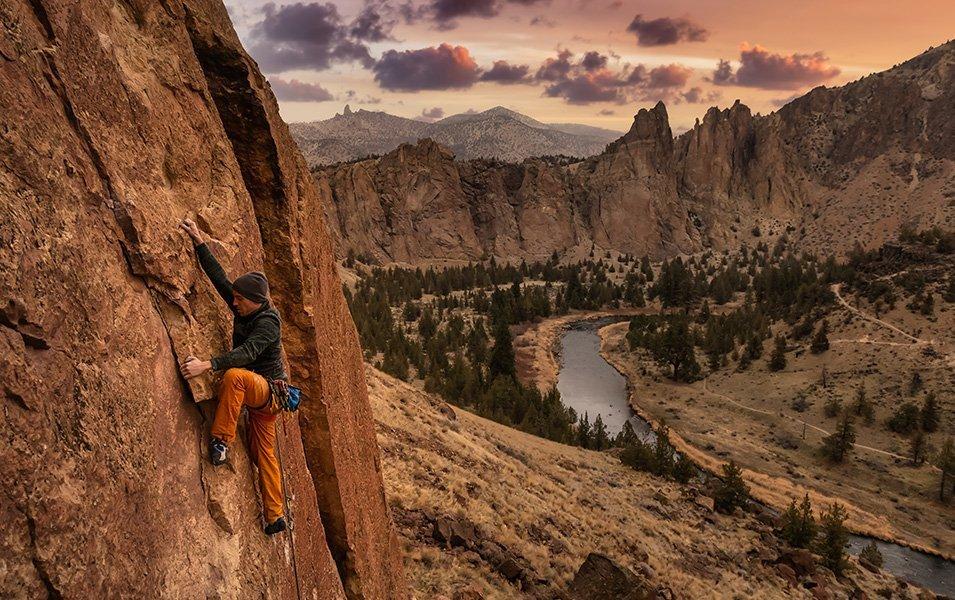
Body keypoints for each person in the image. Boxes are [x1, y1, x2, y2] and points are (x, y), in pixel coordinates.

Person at [178, 218, 286, 535]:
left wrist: (206, 365)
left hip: (266, 394)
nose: (233, 302)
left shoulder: (268, 322)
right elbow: (221, 280)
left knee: (235, 375)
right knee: (264, 454)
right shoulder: (245, 306)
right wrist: (198, 241)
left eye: (239, 300)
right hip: (260, 398)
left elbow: (247, 354)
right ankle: (275, 516)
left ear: (256, 301)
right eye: (235, 299)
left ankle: (221, 441)